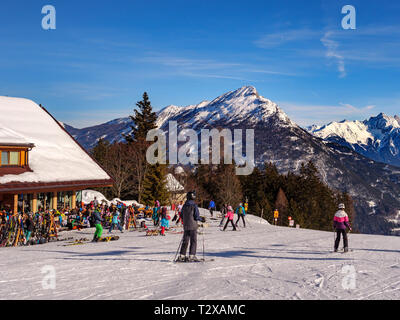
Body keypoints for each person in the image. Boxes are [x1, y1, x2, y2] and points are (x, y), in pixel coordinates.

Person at [177, 191, 201, 262]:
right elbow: (196, 216)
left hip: (186, 226)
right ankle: (192, 255)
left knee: (185, 241)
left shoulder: (184, 206)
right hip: (193, 226)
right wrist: (201, 219)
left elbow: (181, 215)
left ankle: (182, 255)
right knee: (193, 241)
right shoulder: (194, 205)